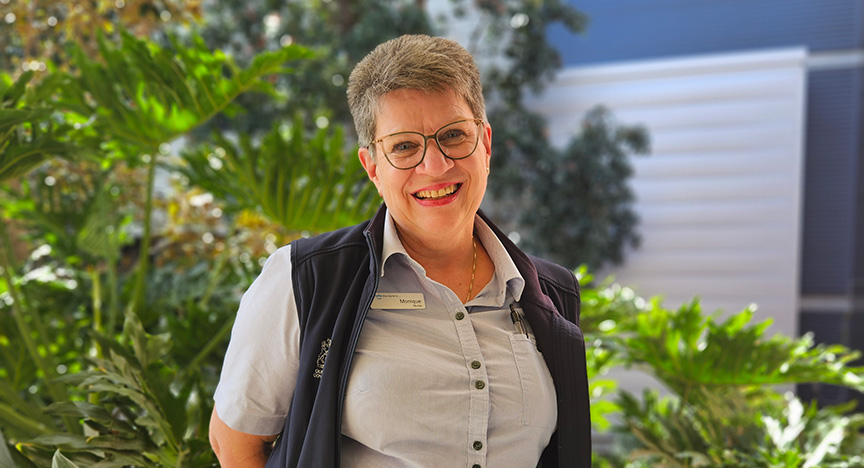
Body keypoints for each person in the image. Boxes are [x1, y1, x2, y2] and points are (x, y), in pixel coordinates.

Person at [209, 34, 591, 468]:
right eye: (404, 146)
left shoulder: (550, 295)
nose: (436, 165)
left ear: (485, 144)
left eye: (453, 135)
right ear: (372, 166)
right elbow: (235, 443)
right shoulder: (307, 279)